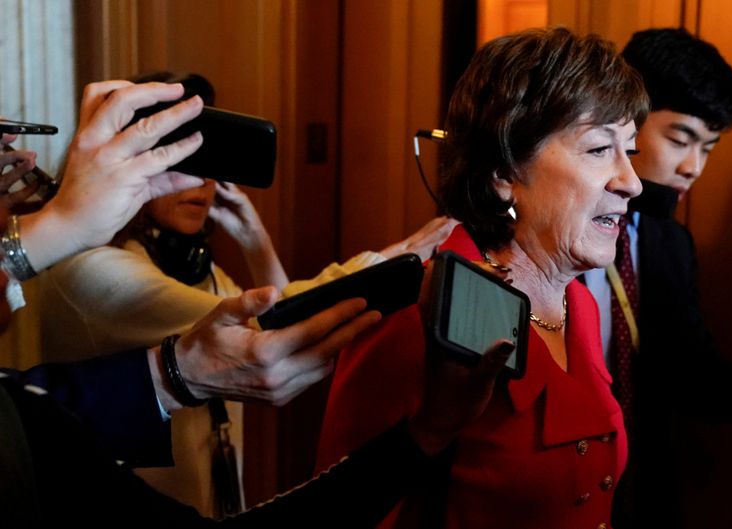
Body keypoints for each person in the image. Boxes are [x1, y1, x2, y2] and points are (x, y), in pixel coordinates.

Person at [31, 71, 457, 516]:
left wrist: (255, 239)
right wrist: (394, 257)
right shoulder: (92, 272)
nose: (202, 181)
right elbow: (274, 319)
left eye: (207, 159)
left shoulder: (199, 272)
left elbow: (279, 313)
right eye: (179, 156)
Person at [315, 27, 648, 528]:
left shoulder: (578, 302)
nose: (632, 182)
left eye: (631, 152)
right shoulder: (419, 309)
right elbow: (344, 511)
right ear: (504, 171)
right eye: (600, 149)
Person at [580, 28, 732, 529]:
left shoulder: (671, 243)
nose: (694, 168)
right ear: (623, 118)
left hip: (640, 494)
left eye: (708, 148)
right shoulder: (558, 225)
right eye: (680, 139)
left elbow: (687, 373)